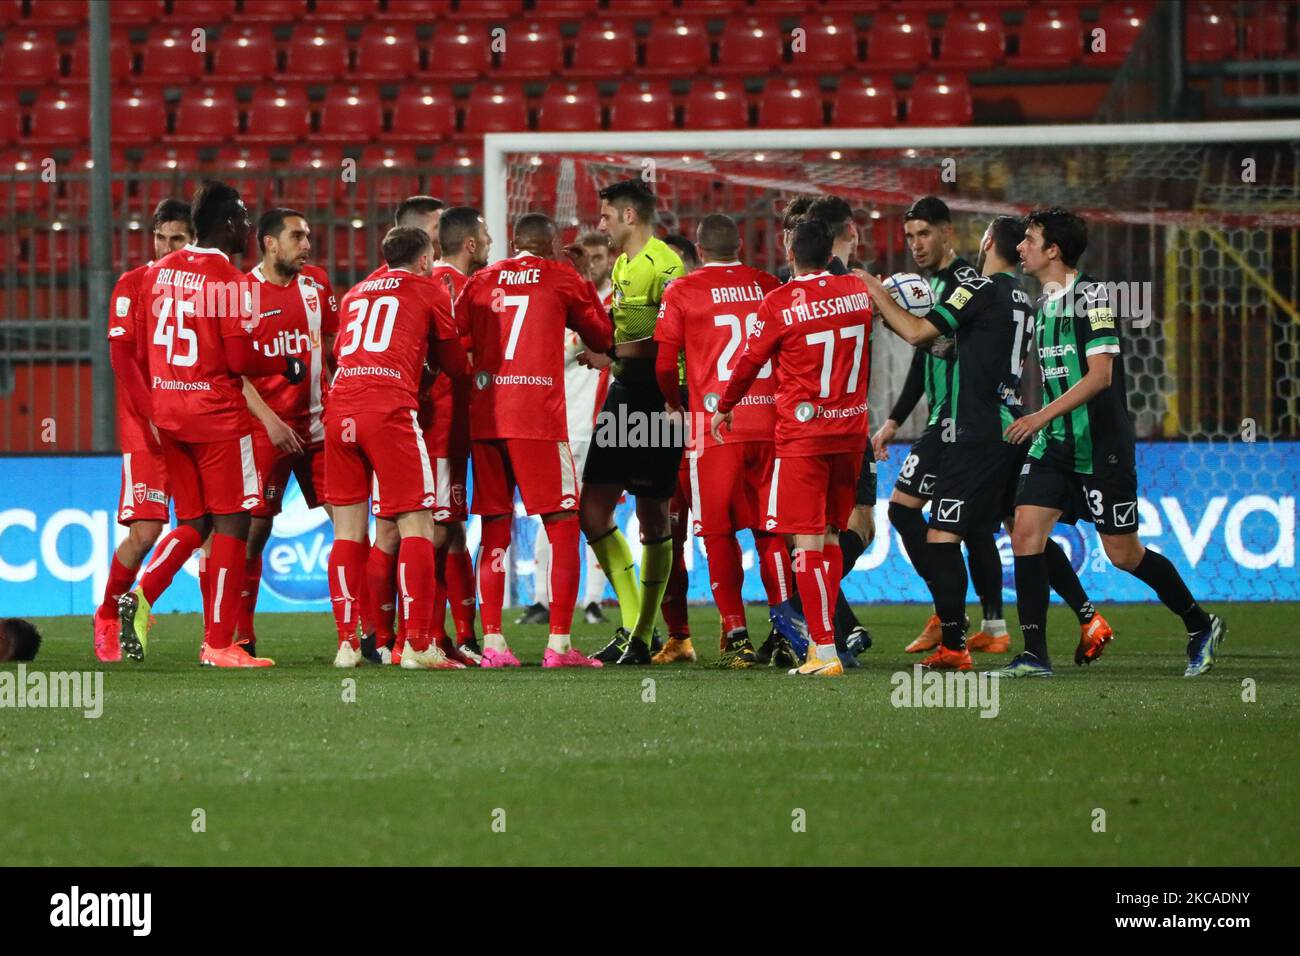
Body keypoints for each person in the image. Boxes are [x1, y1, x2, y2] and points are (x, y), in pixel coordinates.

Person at [1001, 208, 1224, 677]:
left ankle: (1199, 624)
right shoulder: (1044, 305)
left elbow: (1101, 376)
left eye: (1029, 238)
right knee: (1025, 533)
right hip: (1054, 447)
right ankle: (1035, 655)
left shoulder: (1093, 298)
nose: (1020, 246)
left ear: (1053, 249)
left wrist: (1038, 416)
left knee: (1123, 554)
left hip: (1101, 447)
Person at [115, 180, 305, 668]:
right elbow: (238, 357)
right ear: (225, 225)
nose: (248, 227)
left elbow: (142, 348)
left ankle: (141, 593)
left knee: (194, 522)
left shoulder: (159, 274)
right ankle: (218, 643)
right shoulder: (231, 281)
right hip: (216, 416)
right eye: (242, 219)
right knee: (233, 522)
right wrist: (283, 362)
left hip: (169, 414)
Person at [711, 218, 873, 677]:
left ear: (789, 252)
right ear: (830, 252)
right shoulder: (857, 292)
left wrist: (725, 406)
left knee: (803, 540)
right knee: (828, 534)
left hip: (804, 436)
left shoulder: (780, 302)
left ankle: (822, 650)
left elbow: (748, 361)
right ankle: (829, 647)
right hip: (850, 434)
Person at [458, 213, 614, 667]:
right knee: (563, 523)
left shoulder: (481, 280)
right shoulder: (562, 278)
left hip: (486, 418)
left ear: (513, 241)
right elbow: (602, 335)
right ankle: (560, 646)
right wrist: (582, 280)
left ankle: (492, 645)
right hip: (537, 420)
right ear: (552, 245)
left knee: (495, 528)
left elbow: (458, 340)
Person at [325, 226, 470, 670]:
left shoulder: (355, 294)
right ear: (426, 260)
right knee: (418, 527)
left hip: (339, 408)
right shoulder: (428, 291)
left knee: (348, 531)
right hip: (387, 410)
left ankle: (348, 644)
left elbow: (338, 353)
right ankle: (419, 645)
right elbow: (454, 365)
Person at [654, 213, 795, 668]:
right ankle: (786, 629)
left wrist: (673, 404)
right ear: (739, 244)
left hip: (714, 426)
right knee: (770, 530)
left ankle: (737, 635)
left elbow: (662, 363)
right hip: (772, 424)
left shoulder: (682, 290)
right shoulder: (767, 283)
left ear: (698, 248)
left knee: (717, 533)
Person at [870, 195, 1009, 653]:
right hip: (942, 419)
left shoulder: (964, 284)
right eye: (909, 236)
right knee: (964, 525)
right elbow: (923, 355)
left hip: (960, 421)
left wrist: (876, 294)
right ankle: (982, 624)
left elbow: (919, 335)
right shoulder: (929, 286)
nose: (916, 244)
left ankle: (956, 617)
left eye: (924, 233)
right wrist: (893, 419)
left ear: (948, 232)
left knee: (915, 513)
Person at [579, 179, 684, 665]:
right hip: (623, 394)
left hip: (659, 401)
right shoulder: (622, 265)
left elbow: (672, 341)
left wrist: (610, 352)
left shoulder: (667, 266)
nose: (599, 224)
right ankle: (632, 622)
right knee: (592, 509)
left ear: (628, 216)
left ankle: (641, 635)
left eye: (604, 216)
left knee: (653, 517)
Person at [93, 198, 192, 662]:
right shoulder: (132, 285)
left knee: (207, 529)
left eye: (178, 239)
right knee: (146, 531)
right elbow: (123, 360)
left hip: (193, 427)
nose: (167, 247)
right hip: (146, 428)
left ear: (192, 240)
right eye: (161, 238)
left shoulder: (202, 288)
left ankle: (218, 636)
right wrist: (154, 413)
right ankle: (109, 613)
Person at [237, 208, 338, 658]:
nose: (307, 244)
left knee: (351, 527)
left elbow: (334, 350)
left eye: (309, 235)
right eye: (297, 236)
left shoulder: (317, 284)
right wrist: (270, 422)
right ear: (269, 243)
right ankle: (239, 634)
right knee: (252, 533)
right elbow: (233, 372)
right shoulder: (241, 293)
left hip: (319, 427)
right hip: (265, 429)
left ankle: (365, 634)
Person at [422, 206, 491, 667]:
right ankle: (426, 636)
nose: (488, 242)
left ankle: (456, 635)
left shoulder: (426, 284)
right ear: (469, 243)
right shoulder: (468, 290)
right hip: (442, 428)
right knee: (436, 533)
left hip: (440, 427)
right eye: (484, 235)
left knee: (449, 531)